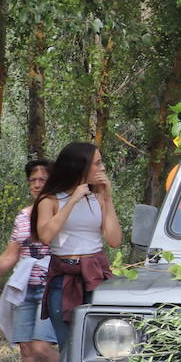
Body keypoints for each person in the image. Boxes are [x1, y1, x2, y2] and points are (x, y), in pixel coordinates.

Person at [32, 142, 122, 349]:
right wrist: (72, 201)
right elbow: (46, 236)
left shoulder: (98, 199)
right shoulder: (51, 199)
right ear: (80, 166)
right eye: (97, 164)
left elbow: (114, 240)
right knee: (69, 346)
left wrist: (108, 199)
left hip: (95, 275)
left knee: (100, 345)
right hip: (64, 278)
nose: (102, 169)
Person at [0, 160, 59, 362]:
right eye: (33, 180)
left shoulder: (62, 213)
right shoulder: (22, 216)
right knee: (27, 349)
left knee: (42, 347)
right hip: (24, 288)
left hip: (51, 288)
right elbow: (10, 255)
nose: (37, 184)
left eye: (43, 180)